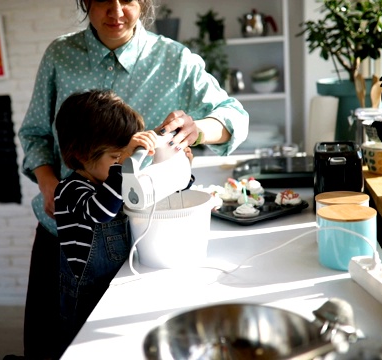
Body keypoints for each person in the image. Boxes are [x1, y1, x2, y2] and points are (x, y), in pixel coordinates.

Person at [14, 0, 249, 358]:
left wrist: (197, 130)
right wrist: (48, 182)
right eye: (103, 0)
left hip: (142, 239)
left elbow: (234, 117)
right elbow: (33, 134)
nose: (116, 11)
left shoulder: (175, 60)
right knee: (53, 347)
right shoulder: (61, 55)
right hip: (61, 238)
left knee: (126, 345)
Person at [52, 88, 158, 356]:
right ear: (80, 154)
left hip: (117, 283)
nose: (123, 164)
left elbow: (150, 194)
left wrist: (173, 167)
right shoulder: (70, 190)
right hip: (85, 298)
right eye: (115, 158)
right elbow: (101, 211)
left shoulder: (112, 181)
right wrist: (124, 169)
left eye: (126, 157)